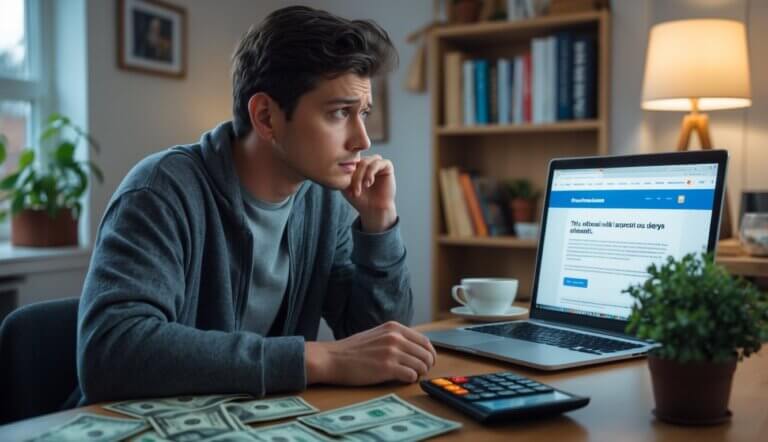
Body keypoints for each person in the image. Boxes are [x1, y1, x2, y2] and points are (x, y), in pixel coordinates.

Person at [75, 5, 436, 405]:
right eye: (340, 113)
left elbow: (379, 344)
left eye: (363, 114)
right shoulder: (160, 192)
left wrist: (378, 225)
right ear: (266, 117)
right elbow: (110, 353)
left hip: (256, 422)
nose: (363, 140)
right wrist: (315, 359)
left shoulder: (323, 202)